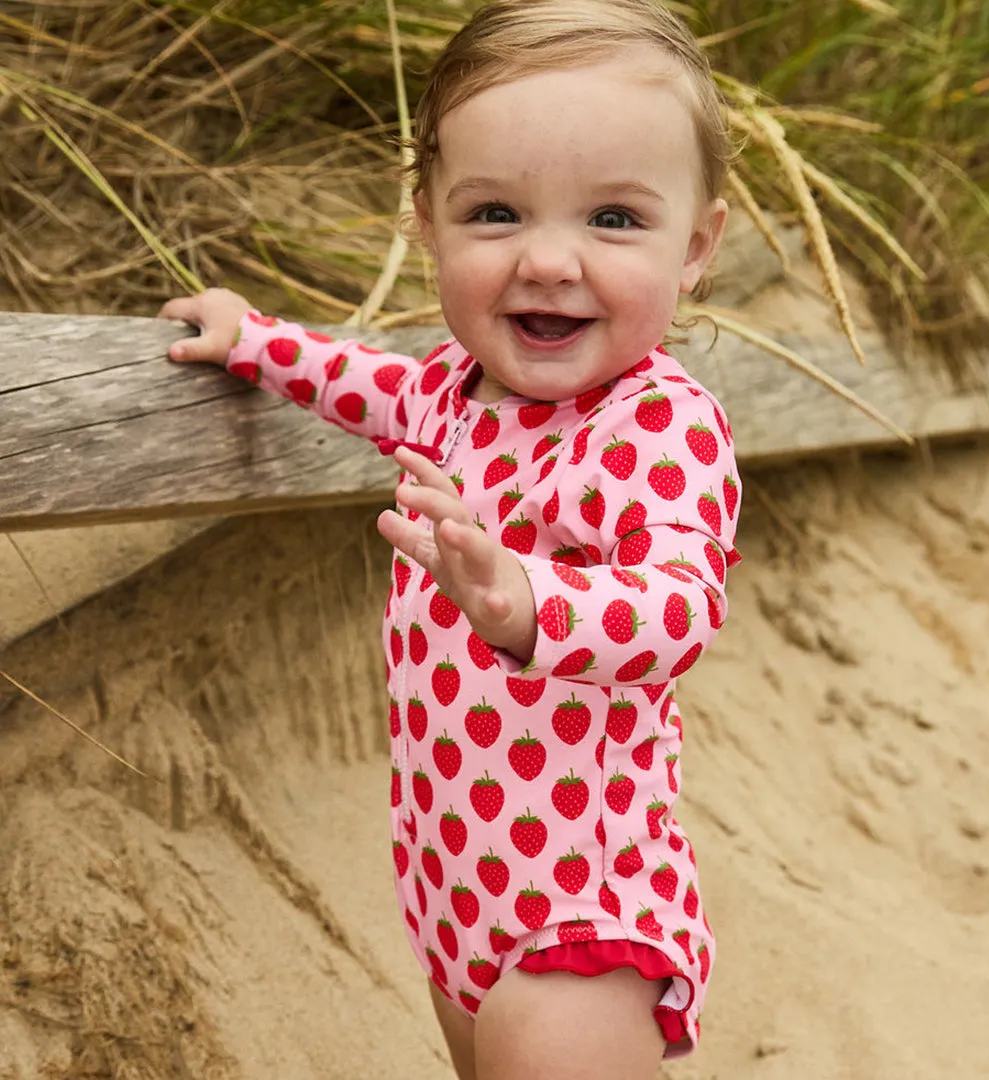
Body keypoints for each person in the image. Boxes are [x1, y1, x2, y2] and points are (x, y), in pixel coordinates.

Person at [159, 1, 741, 1076]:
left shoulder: (653, 422)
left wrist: (526, 600)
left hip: (582, 905)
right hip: (452, 882)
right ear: (425, 220)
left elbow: (679, 605)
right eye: (495, 214)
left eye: (613, 219)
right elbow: (360, 382)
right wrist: (256, 342)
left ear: (696, 245)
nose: (550, 262)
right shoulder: (446, 388)